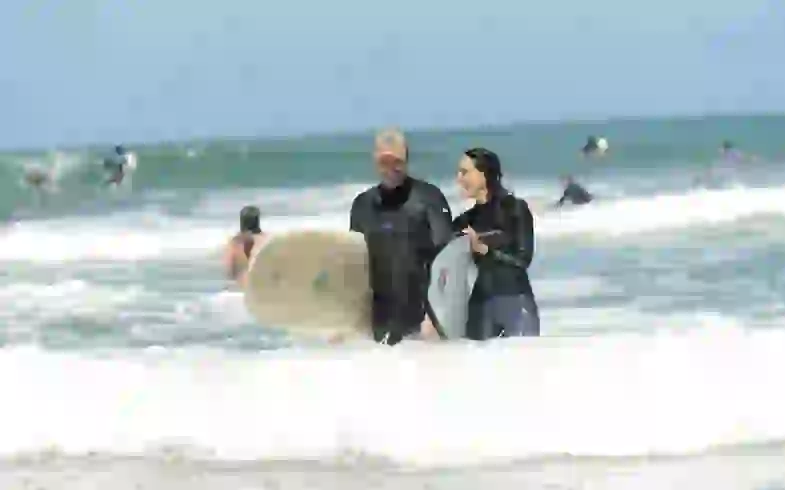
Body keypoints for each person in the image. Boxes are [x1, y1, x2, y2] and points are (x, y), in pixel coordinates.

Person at [349, 128, 453, 345]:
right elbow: (356, 266)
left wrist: (436, 318)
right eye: (384, 162)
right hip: (380, 320)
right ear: (375, 161)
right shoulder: (362, 205)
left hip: (423, 319)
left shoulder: (429, 198)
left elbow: (448, 260)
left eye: (397, 161)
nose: (391, 169)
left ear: (406, 160)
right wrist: (348, 320)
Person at [452, 147, 539, 339]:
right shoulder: (463, 222)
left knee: (524, 365)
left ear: (484, 174)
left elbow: (522, 260)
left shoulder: (515, 209)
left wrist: (483, 249)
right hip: (480, 307)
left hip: (516, 304)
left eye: (465, 172)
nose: (459, 179)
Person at [223, 205, 266, 287]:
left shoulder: (235, 242)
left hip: (241, 286)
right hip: (261, 286)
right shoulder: (265, 240)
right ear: (257, 221)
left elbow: (229, 269)